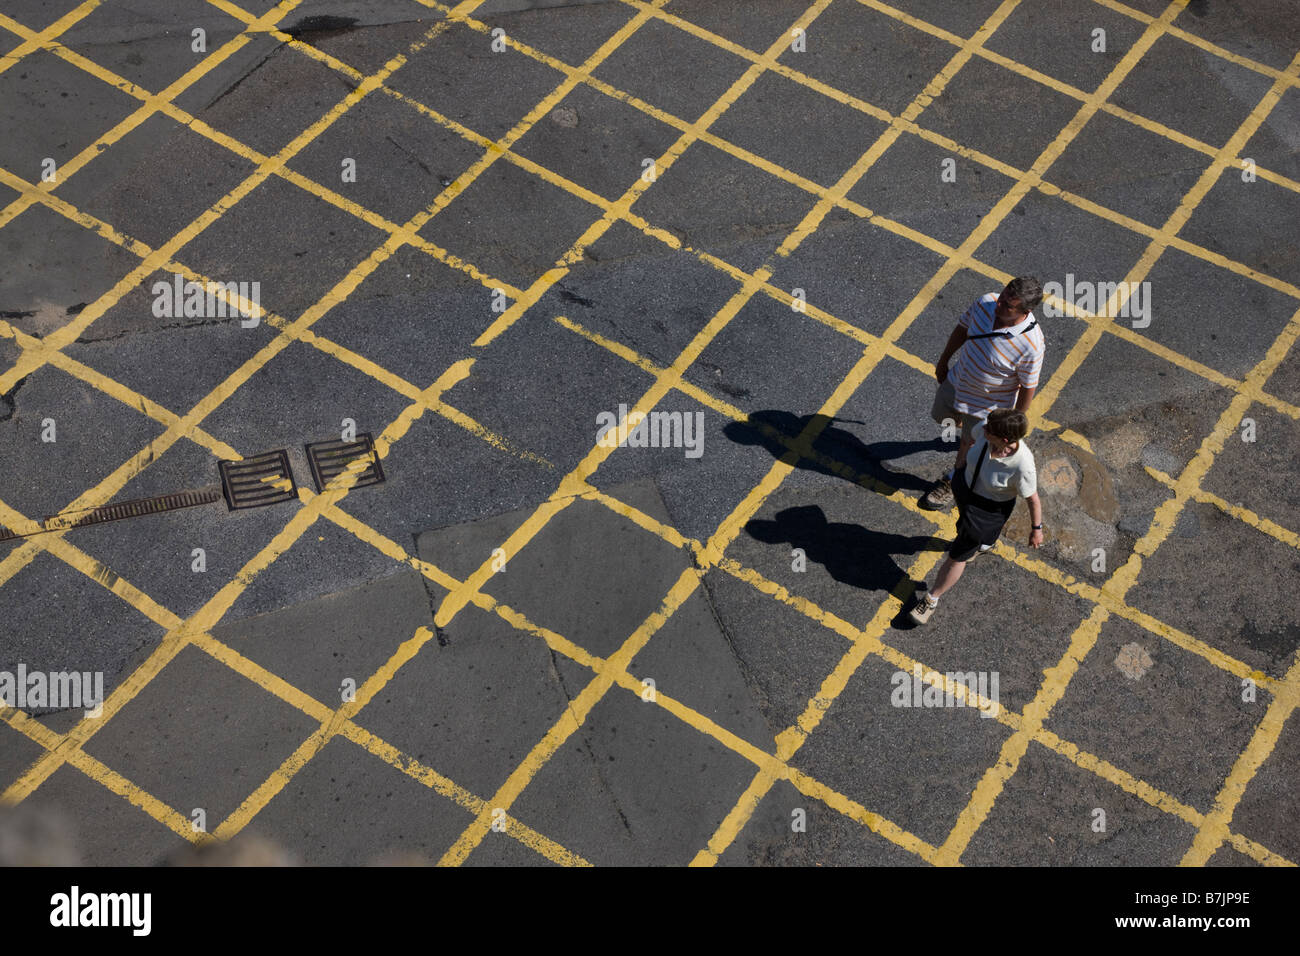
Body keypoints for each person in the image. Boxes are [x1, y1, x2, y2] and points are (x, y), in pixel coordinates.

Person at [921, 277, 1045, 511]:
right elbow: (962, 330)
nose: (999, 305)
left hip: (986, 407)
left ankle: (952, 480)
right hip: (957, 383)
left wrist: (1013, 422)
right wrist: (943, 361)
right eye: (1002, 297)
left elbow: (1028, 387)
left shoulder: (1032, 344)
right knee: (941, 417)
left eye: (1008, 306)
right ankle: (968, 436)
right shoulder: (985, 303)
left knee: (969, 443)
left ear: (1025, 311)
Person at [910, 408, 1043, 625]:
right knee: (967, 530)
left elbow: (1033, 499)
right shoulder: (986, 428)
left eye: (988, 429)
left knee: (958, 554)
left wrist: (1036, 529)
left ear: (1004, 439)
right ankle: (985, 544)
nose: (982, 427)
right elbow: (969, 441)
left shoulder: (1023, 466)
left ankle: (931, 599)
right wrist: (959, 468)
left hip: (987, 511)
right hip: (965, 490)